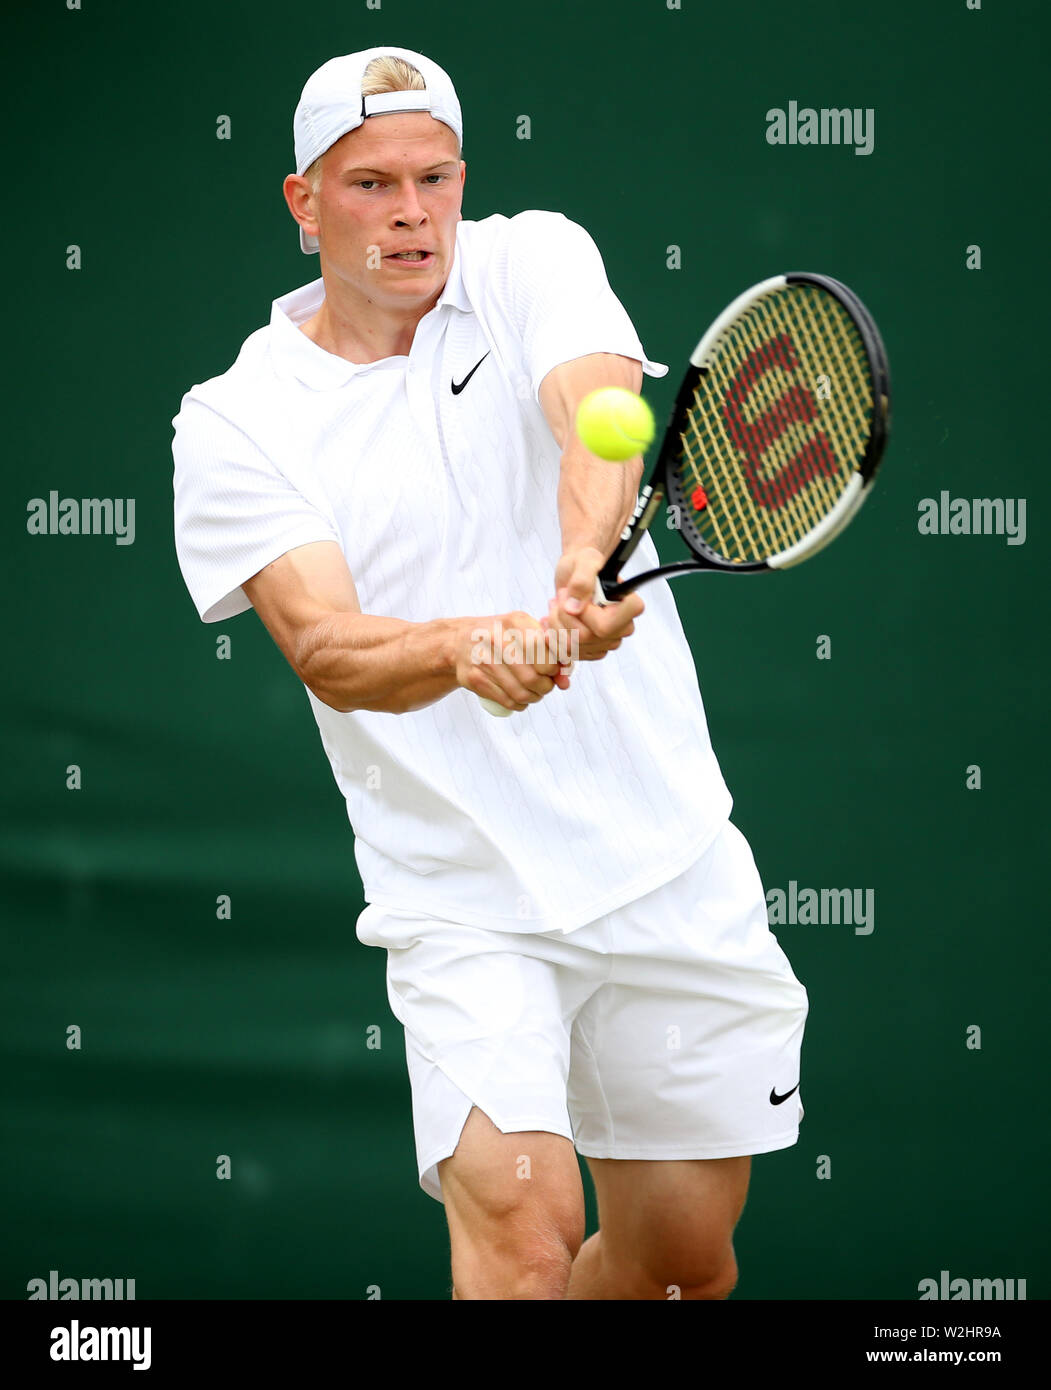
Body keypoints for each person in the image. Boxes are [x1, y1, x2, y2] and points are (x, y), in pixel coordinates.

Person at [171, 45, 809, 1301]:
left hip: (665, 866)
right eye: (368, 185)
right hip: (461, 901)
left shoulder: (533, 259)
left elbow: (595, 406)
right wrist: (472, 647)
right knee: (518, 1237)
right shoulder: (234, 420)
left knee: (679, 1267)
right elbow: (326, 647)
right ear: (301, 202)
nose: (411, 212)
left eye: (434, 177)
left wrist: (582, 560)